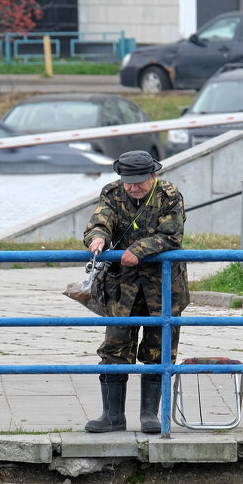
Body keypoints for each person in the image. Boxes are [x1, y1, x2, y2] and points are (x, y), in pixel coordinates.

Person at [83, 149, 190, 433]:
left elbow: (171, 236)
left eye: (138, 182)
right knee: (114, 349)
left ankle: (150, 416)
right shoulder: (111, 192)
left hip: (163, 287)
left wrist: (137, 250)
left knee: (159, 351)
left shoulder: (170, 196)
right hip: (121, 287)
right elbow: (99, 221)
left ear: (153, 176)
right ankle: (112, 416)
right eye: (127, 181)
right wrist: (97, 239)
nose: (132, 187)